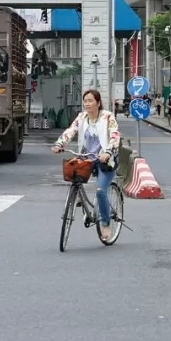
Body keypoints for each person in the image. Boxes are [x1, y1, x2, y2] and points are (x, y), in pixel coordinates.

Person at [51, 89, 121, 244]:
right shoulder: (82, 117)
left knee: (100, 191)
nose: (87, 104)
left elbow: (115, 135)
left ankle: (105, 223)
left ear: (98, 103)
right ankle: (79, 197)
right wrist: (59, 144)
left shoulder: (108, 116)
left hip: (105, 161)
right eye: (85, 101)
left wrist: (108, 152)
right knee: (72, 172)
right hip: (87, 158)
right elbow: (71, 131)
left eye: (90, 101)